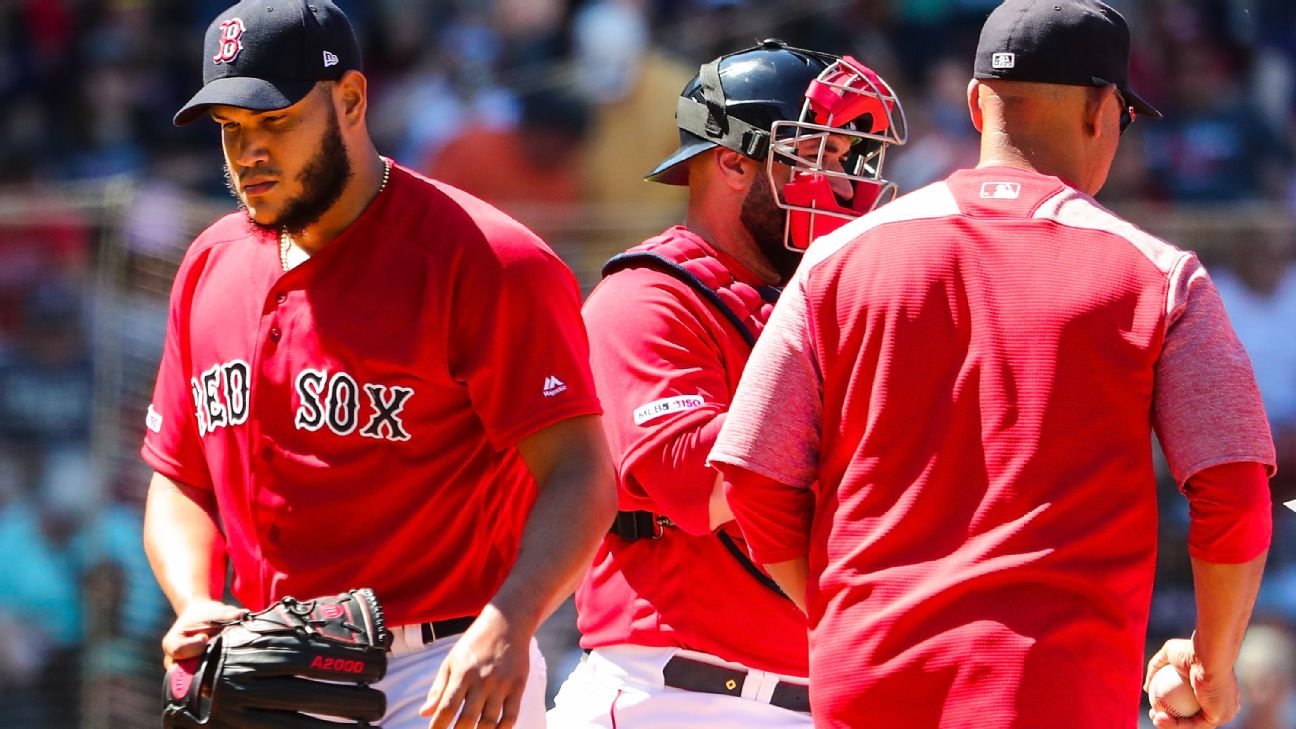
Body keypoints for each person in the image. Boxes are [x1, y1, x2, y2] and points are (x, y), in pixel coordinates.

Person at [708, 2, 1275, 728]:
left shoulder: (835, 258)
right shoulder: (1158, 275)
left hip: (866, 687)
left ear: (977, 104)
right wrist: (1214, 659)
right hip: (1053, 690)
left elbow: (754, 476)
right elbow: (1234, 495)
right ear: (1103, 110)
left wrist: (849, 613)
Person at [140, 3, 616, 729]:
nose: (248, 153)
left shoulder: (486, 260)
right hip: (264, 667)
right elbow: (178, 475)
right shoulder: (209, 264)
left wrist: (512, 619)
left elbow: (581, 470)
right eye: (232, 130)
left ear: (353, 99)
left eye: (275, 121)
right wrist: (196, 600)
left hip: (443, 667)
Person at [547, 39, 906, 728]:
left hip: (817, 695)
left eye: (843, 158)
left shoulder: (808, 302)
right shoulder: (649, 298)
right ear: (734, 162)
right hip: (681, 694)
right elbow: (706, 485)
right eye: (812, 155)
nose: (836, 183)